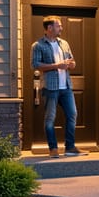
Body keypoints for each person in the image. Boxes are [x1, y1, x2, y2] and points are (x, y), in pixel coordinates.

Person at [31, 16, 87, 158]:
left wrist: (72, 64)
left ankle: (70, 147)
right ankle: (53, 148)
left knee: (72, 114)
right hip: (51, 87)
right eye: (58, 26)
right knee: (50, 118)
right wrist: (57, 66)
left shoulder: (64, 43)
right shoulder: (38, 45)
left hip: (66, 86)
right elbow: (35, 65)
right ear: (50, 28)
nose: (61, 28)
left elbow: (71, 60)